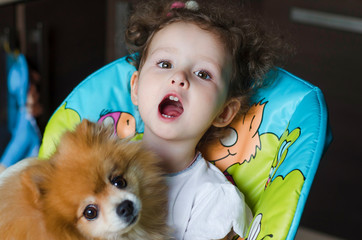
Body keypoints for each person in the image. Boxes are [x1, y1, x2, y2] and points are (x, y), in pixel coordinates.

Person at [126, 0, 287, 239]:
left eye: (203, 74)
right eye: (165, 64)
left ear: (224, 112)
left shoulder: (214, 198)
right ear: (136, 87)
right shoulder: (102, 160)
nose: (179, 77)